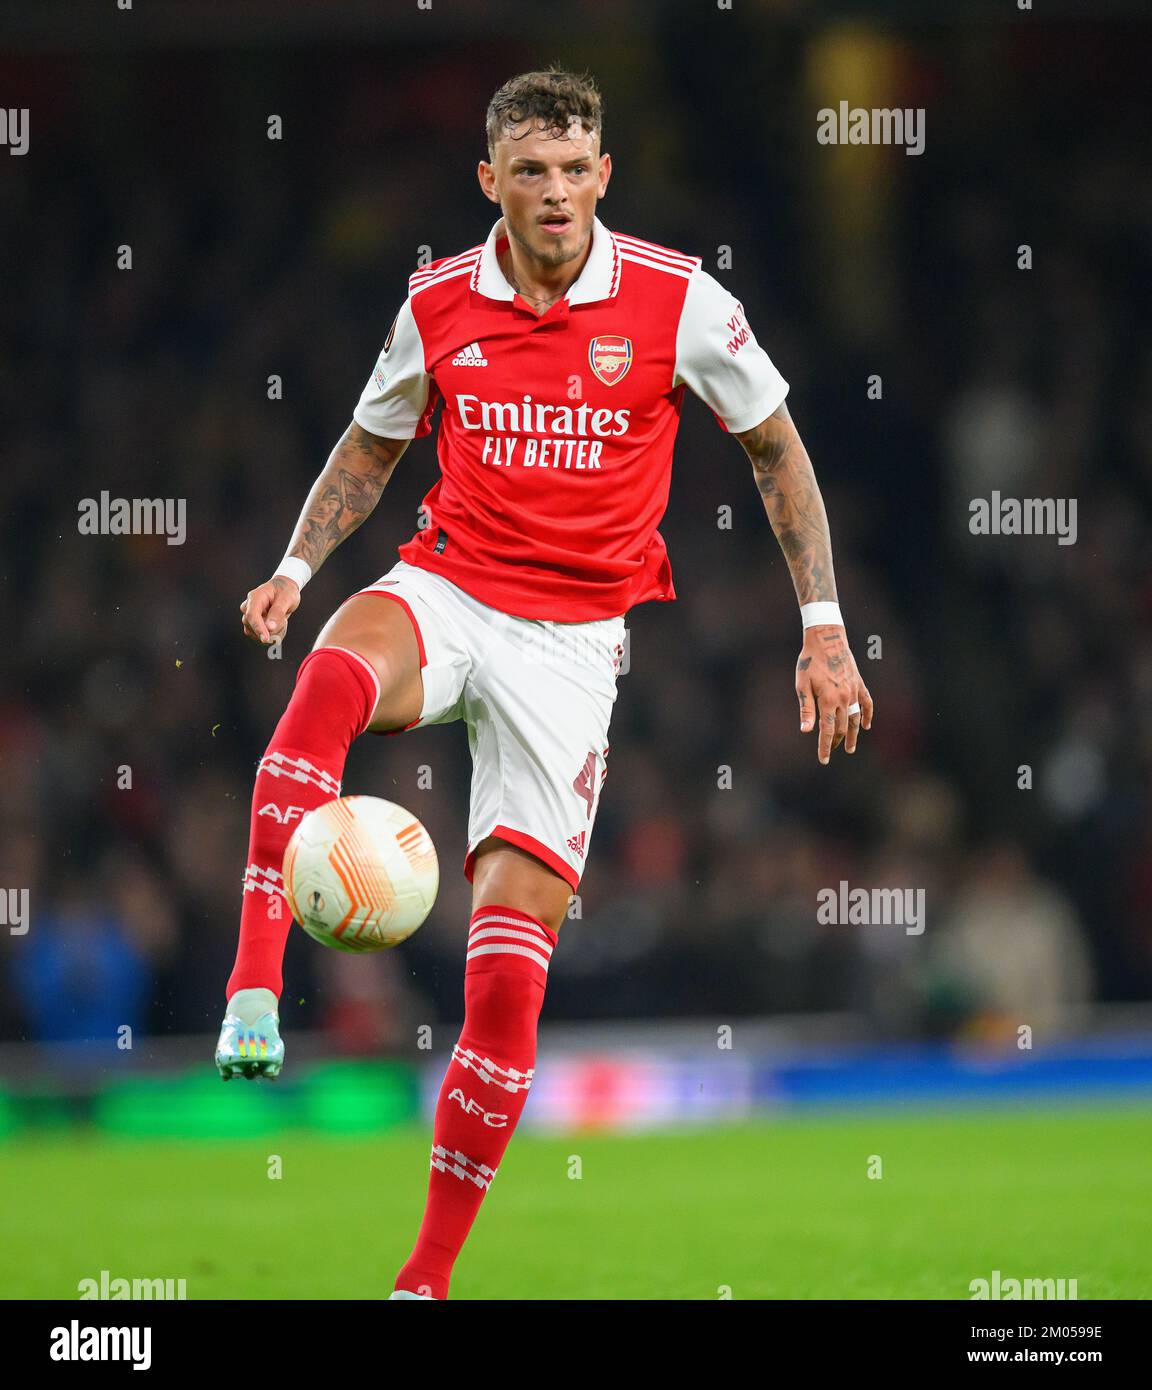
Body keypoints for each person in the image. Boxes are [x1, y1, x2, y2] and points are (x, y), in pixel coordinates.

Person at [215, 66, 873, 1300]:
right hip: (450, 585)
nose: (555, 192)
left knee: (509, 984)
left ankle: (423, 1280)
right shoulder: (439, 301)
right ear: (491, 182)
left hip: (573, 649)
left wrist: (823, 627)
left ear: (604, 176)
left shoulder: (681, 302)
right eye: (530, 171)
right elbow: (373, 442)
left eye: (575, 170)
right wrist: (298, 567)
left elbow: (777, 448)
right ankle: (254, 987)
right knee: (323, 688)